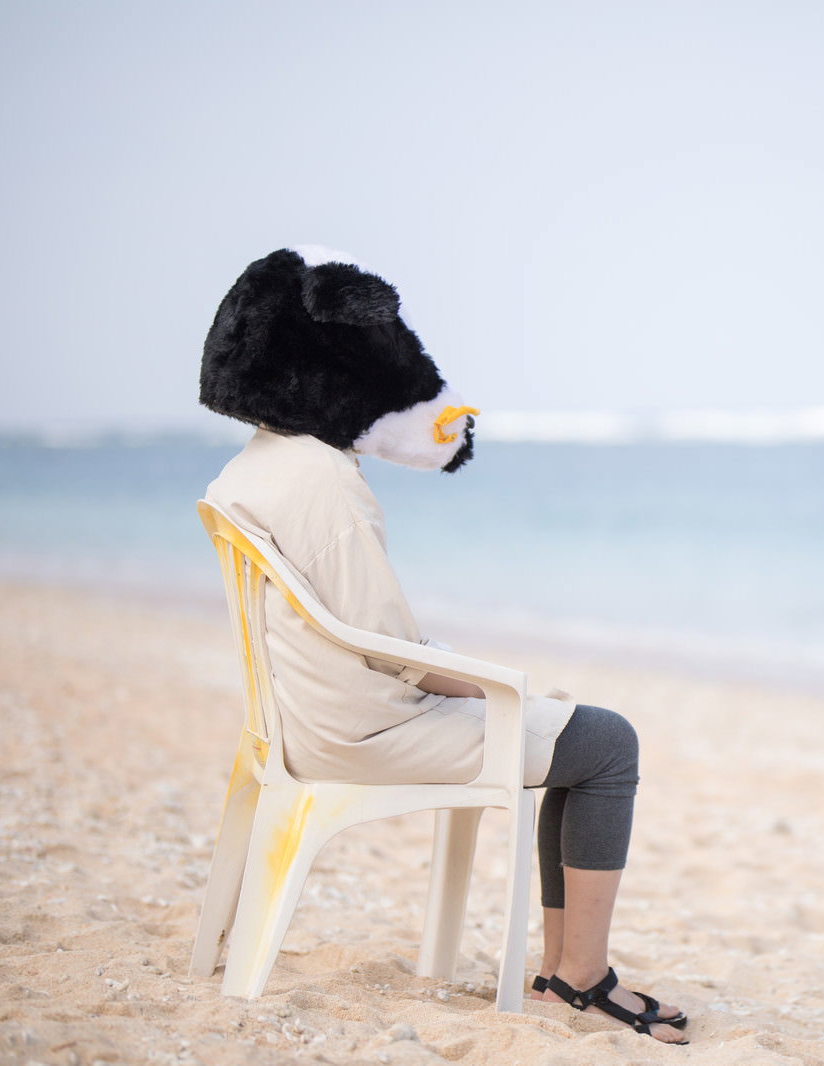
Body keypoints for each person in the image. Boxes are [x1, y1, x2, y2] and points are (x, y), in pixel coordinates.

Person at [199, 246, 687, 1044]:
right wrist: (496, 685)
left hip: (300, 721)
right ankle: (582, 977)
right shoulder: (325, 485)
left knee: (570, 731)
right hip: (361, 732)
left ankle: (569, 971)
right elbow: (390, 651)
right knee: (607, 742)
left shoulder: (250, 469)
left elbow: (355, 631)